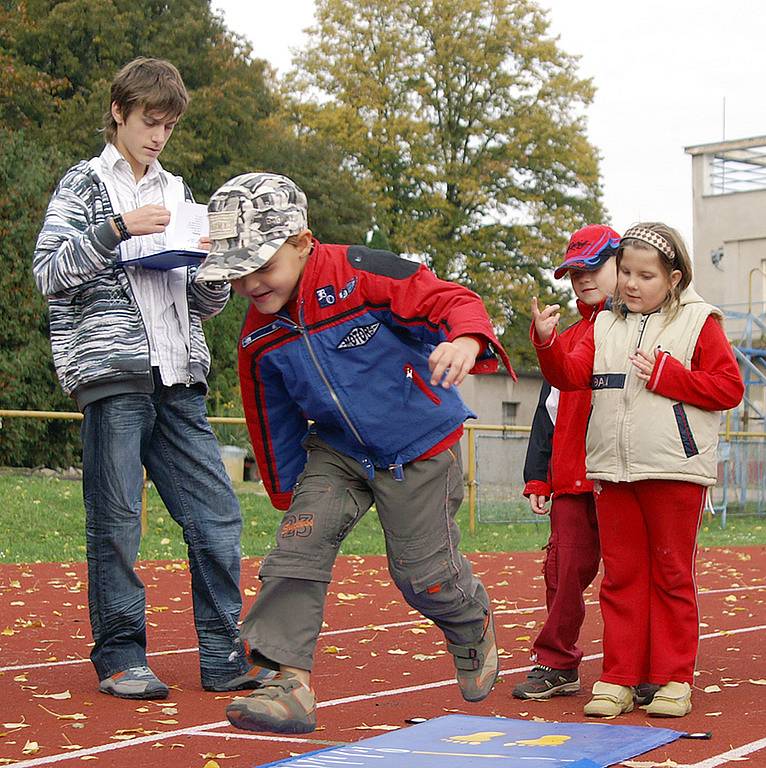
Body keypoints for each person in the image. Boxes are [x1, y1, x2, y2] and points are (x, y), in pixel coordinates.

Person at [194, 172, 516, 734]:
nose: (250, 285)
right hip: (338, 452)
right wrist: (288, 492)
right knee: (298, 550)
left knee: (422, 575)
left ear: (301, 242)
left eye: (261, 267)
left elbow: (448, 297)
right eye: (236, 275)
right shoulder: (258, 336)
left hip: (418, 445)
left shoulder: (359, 274)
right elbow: (269, 419)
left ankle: (469, 621)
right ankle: (286, 683)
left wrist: (466, 338)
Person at [33, 58, 265, 699]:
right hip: (113, 374)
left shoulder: (179, 191)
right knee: (117, 522)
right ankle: (120, 658)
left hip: (179, 375)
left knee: (217, 516)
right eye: (148, 122)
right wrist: (116, 230)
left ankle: (222, 656)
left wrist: (218, 269)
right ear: (118, 113)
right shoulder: (82, 186)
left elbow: (202, 304)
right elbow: (48, 273)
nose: (158, 136)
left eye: (167, 125)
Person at [531, 222, 744, 718]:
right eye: (625, 271)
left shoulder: (699, 322)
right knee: (621, 578)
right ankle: (618, 677)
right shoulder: (605, 323)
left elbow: (728, 387)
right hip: (612, 471)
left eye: (645, 275)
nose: (629, 283)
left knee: (671, 575)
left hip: (674, 470)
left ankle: (672, 678)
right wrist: (547, 343)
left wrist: (671, 376)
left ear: (673, 278)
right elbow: (570, 375)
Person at [513, 224, 619, 701]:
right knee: (561, 574)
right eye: (574, 271)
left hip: (623, 478)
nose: (581, 278)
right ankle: (557, 663)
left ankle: (630, 668)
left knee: (628, 576)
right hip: (572, 480)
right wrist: (538, 476)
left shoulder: (640, 331)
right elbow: (547, 412)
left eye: (592, 266)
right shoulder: (568, 336)